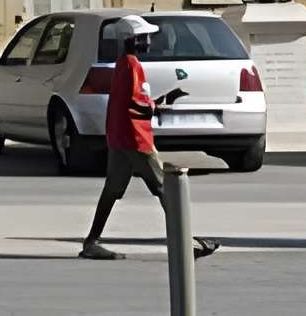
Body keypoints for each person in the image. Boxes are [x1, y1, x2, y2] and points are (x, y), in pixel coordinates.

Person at [79, 15, 220, 262]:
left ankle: (92, 241)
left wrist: (161, 101)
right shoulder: (133, 66)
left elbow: (133, 102)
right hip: (136, 138)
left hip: (120, 137)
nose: (149, 42)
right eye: (144, 38)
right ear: (132, 40)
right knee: (166, 188)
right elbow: (138, 104)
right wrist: (159, 106)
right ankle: (187, 243)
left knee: (112, 191)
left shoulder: (123, 63)